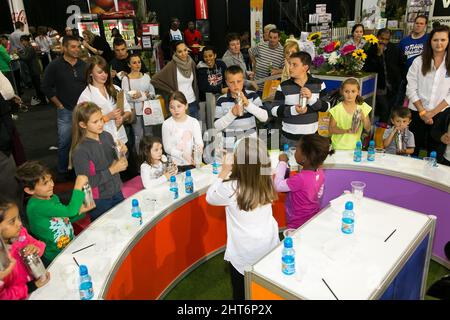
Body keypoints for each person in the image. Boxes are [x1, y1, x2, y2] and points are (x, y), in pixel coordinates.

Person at [205, 137, 279, 300]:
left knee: (241, 293)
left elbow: (210, 197)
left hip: (243, 252)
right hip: (268, 243)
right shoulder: (265, 178)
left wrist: (224, 171)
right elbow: (256, 163)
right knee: (264, 290)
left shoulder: (230, 188)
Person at [15, 161, 95, 264]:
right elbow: (70, 211)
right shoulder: (37, 206)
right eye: (45, 183)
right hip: (55, 255)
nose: (52, 185)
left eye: (50, 180)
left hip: (68, 245)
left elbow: (63, 219)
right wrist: (78, 185)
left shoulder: (52, 198)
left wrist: (80, 211)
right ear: (30, 190)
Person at [71, 102, 128, 221]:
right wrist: (112, 170)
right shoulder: (81, 150)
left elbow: (118, 161)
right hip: (100, 200)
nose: (101, 124)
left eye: (101, 119)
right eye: (95, 122)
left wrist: (123, 153)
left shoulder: (106, 136)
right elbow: (86, 183)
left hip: (117, 190)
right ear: (83, 124)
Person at [41, 35, 87, 182]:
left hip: (83, 111)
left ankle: (80, 169)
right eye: (73, 47)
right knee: (65, 142)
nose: (76, 49)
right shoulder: (54, 65)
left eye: (78, 46)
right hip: (65, 111)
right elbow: (46, 87)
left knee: (84, 141)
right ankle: (62, 171)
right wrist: (59, 105)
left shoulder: (83, 65)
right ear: (64, 48)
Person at [406, 24, 450, 157]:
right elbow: (411, 88)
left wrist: (432, 113)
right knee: (413, 149)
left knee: (435, 153)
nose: (439, 43)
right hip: (417, 113)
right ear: (430, 41)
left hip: (441, 115)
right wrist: (423, 112)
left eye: (443, 40)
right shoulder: (419, 61)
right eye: (435, 40)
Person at [274, 134, 334, 228]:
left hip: (297, 222)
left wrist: (282, 162)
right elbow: (319, 194)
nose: (295, 151)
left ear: (304, 158)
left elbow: (277, 185)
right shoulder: (320, 173)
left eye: (297, 149)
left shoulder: (300, 179)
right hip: (312, 217)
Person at [271, 52, 326, 148]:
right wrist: (294, 110)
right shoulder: (283, 86)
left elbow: (327, 107)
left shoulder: (319, 84)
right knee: (289, 163)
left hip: (312, 138)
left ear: (305, 67)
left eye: (294, 65)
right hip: (289, 138)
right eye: (289, 64)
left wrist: (311, 98)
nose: (290, 68)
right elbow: (274, 110)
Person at [0, 197, 50, 300]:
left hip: (36, 283)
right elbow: (4, 296)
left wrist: (36, 248)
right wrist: (30, 287)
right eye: (12, 221)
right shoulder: (2, 259)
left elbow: (41, 244)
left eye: (18, 218)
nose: (19, 223)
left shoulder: (21, 232)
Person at [78, 55, 133, 146]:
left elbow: (128, 110)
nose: (104, 75)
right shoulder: (86, 96)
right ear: (90, 73)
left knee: (124, 159)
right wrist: (107, 117)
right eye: (100, 72)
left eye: (106, 71)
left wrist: (122, 118)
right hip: (100, 142)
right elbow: (85, 123)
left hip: (120, 138)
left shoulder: (116, 89)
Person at [214, 65, 267, 151]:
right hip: (230, 147)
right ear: (227, 83)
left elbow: (264, 117)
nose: (236, 85)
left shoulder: (252, 96)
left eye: (239, 81)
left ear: (243, 81)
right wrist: (232, 114)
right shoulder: (221, 100)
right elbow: (217, 126)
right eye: (232, 82)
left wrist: (248, 104)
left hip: (250, 145)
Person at [151, 41, 200, 119]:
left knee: (195, 129)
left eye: (185, 50)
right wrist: (170, 91)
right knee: (181, 130)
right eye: (180, 51)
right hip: (179, 105)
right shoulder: (171, 65)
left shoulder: (191, 63)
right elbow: (154, 80)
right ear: (175, 52)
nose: (184, 53)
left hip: (193, 102)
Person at [363, 28, 401, 124]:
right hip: (379, 84)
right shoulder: (371, 48)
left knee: (389, 108)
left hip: (392, 84)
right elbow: (367, 67)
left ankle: (383, 128)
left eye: (386, 39)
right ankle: (381, 129)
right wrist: (379, 55)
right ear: (377, 37)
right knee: (384, 108)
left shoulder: (393, 48)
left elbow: (398, 64)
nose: (383, 41)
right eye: (382, 38)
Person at [121, 53, 157, 150]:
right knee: (138, 136)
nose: (138, 65)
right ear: (129, 65)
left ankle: (151, 155)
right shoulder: (126, 79)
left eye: (139, 62)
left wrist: (141, 95)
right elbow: (126, 98)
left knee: (149, 135)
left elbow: (153, 94)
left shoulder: (146, 77)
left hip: (147, 111)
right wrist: (144, 95)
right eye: (134, 63)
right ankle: (140, 159)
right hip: (135, 113)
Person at [161, 91, 203, 172]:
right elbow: (167, 148)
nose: (176, 110)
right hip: (174, 166)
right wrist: (182, 154)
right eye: (172, 107)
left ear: (186, 106)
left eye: (179, 106)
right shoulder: (166, 124)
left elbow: (199, 142)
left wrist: (197, 154)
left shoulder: (194, 122)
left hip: (191, 164)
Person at [328, 78, 372, 150]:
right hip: (338, 147)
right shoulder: (337, 109)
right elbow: (331, 129)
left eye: (353, 91)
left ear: (358, 92)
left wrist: (363, 118)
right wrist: (346, 131)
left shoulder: (363, 106)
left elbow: (368, 128)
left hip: (356, 147)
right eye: (346, 91)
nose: (350, 94)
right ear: (342, 92)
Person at [398, 15, 429, 105]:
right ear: (413, 24)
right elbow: (399, 59)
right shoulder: (404, 41)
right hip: (406, 77)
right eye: (417, 23)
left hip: (423, 76)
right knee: (403, 101)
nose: (418, 25)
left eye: (421, 24)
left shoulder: (429, 39)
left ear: (425, 26)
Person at [196, 45, 228, 129]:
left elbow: (227, 77)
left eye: (210, 56)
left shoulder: (221, 64)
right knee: (207, 123)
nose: (208, 59)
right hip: (206, 100)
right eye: (205, 57)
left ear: (215, 55)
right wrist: (220, 90)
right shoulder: (201, 69)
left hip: (221, 97)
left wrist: (226, 88)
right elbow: (204, 87)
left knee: (221, 120)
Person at [17, 35, 46, 106]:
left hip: (34, 69)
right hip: (33, 69)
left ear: (26, 41)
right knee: (37, 86)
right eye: (21, 42)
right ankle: (41, 100)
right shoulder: (28, 47)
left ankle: (43, 101)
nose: (22, 43)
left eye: (22, 41)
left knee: (38, 86)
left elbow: (26, 58)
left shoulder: (30, 48)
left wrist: (19, 54)